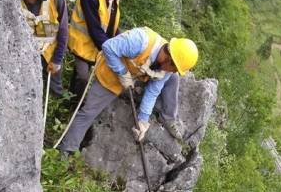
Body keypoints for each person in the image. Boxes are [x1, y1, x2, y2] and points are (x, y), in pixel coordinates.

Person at [58, 26, 199, 155]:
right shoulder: (140, 41)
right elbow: (108, 47)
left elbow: (152, 92)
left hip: (133, 79)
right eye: (173, 68)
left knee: (172, 80)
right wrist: (122, 72)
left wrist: (143, 121)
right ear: (169, 58)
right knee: (89, 112)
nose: (172, 72)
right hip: (109, 75)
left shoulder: (167, 68)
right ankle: (66, 148)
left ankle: (166, 117)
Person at [68, 0, 134, 101]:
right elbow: (96, 30)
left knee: (85, 78)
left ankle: (75, 99)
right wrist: (112, 52)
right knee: (82, 77)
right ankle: (73, 106)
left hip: (98, 47)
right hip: (82, 46)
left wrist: (123, 45)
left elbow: (112, 26)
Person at [14, 0, 69, 95]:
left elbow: (64, 31)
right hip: (25, 56)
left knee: (54, 90)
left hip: (49, 53)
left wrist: (57, 60)